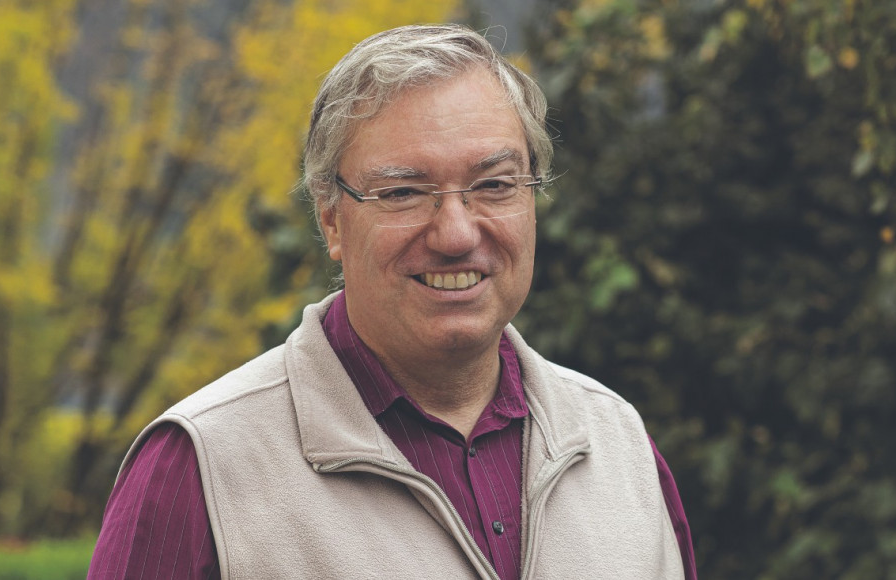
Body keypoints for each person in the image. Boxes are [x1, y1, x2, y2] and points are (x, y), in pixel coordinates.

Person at [88, 24, 696, 579]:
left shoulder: (619, 446)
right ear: (330, 220)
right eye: (404, 192)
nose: (456, 234)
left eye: (493, 185)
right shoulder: (197, 468)